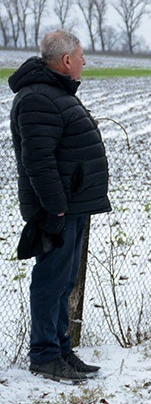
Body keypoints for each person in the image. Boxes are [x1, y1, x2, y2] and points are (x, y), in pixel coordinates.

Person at [9, 30, 109, 381]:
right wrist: (55, 208)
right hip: (58, 208)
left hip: (72, 204)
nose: (84, 62)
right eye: (81, 56)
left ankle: (62, 349)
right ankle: (45, 354)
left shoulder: (55, 93)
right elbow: (38, 161)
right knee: (51, 280)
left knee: (65, 281)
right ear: (67, 60)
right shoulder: (38, 98)